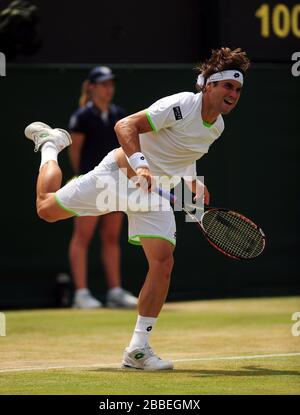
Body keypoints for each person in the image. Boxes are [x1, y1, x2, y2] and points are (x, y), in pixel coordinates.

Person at [25, 47, 250, 370]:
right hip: (117, 177)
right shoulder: (182, 104)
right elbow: (125, 126)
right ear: (209, 85)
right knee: (46, 209)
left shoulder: (216, 128)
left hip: (152, 195)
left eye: (238, 89)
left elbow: (184, 152)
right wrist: (141, 166)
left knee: (163, 261)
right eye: (228, 86)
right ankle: (50, 145)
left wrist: (192, 181)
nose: (233, 94)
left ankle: (138, 349)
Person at [68, 66, 137, 309]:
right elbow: (75, 152)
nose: (109, 88)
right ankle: (81, 294)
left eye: (111, 84)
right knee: (82, 237)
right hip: (90, 183)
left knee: (111, 237)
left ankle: (115, 292)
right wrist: (84, 177)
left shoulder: (119, 113)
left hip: (115, 185)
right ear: (92, 87)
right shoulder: (82, 116)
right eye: (104, 84)